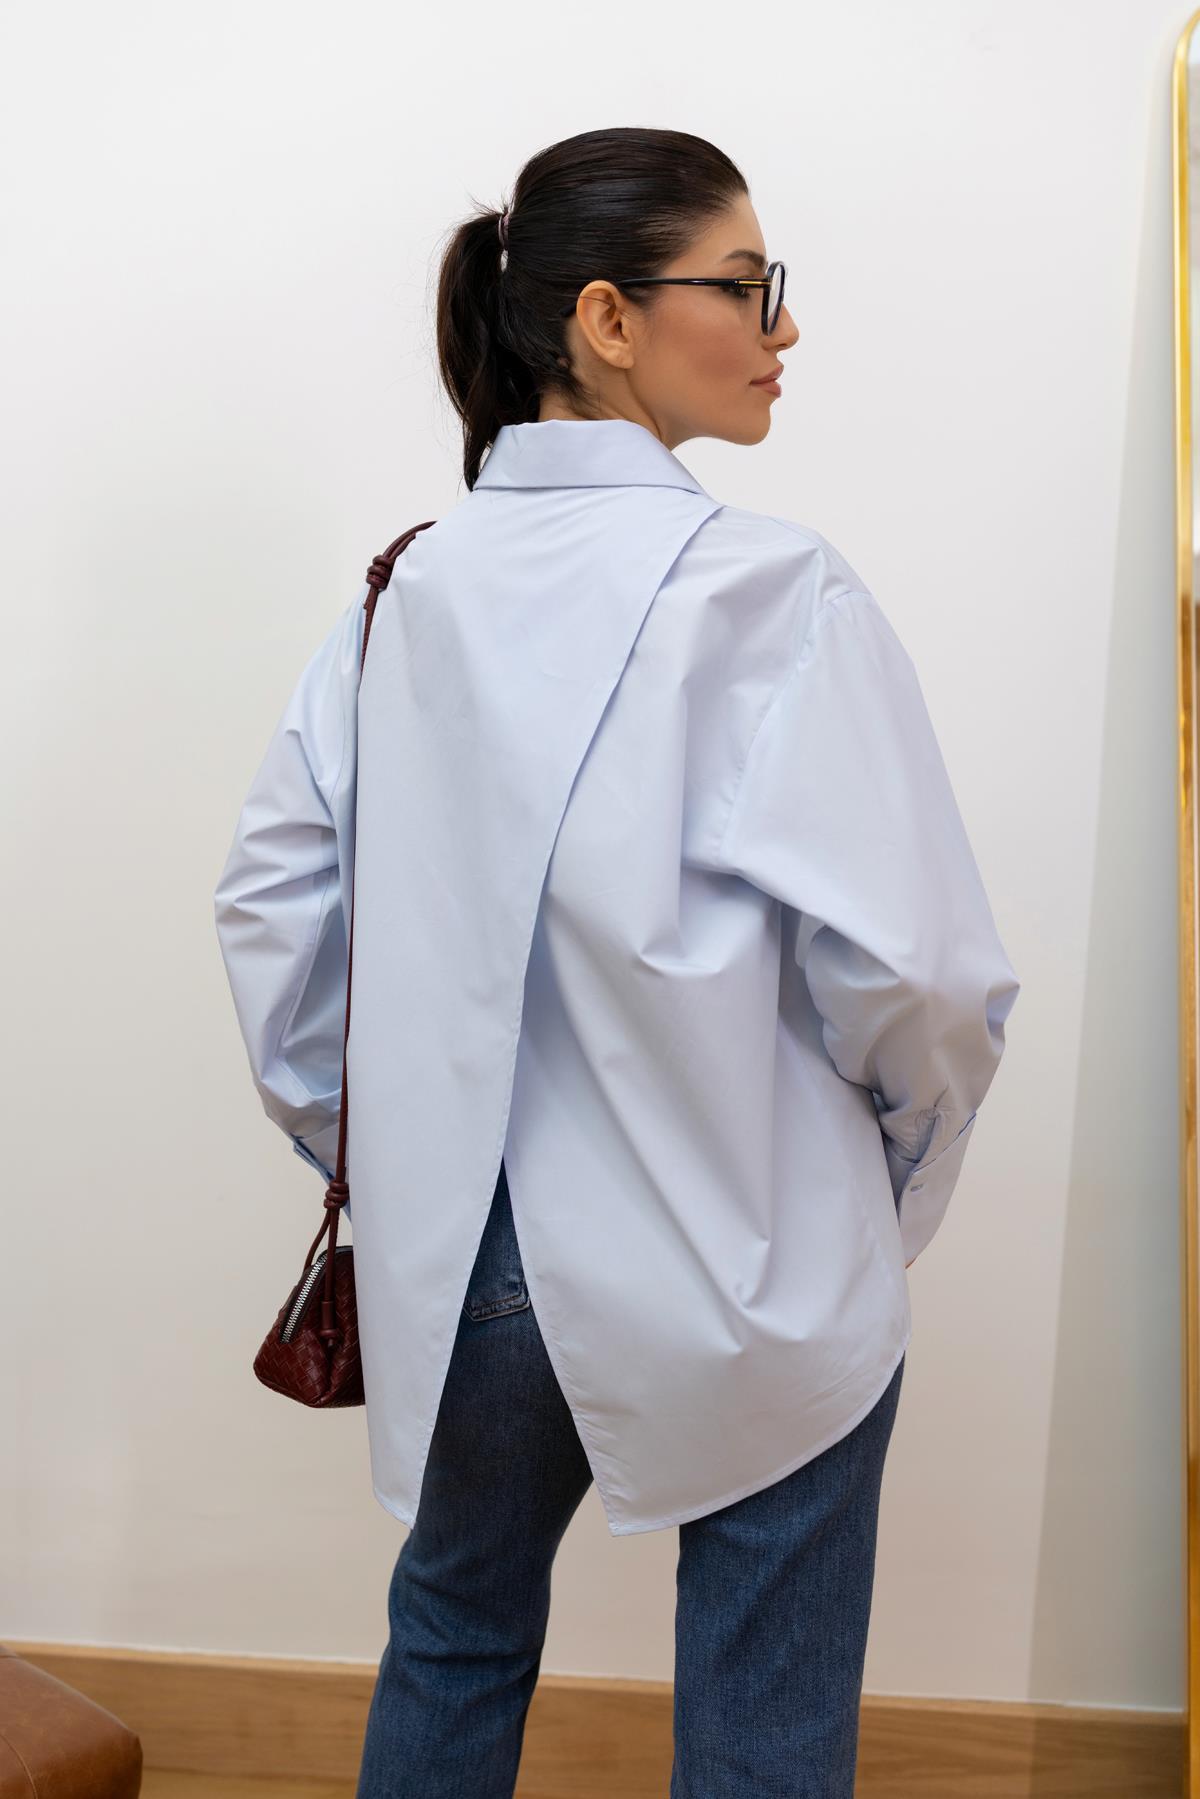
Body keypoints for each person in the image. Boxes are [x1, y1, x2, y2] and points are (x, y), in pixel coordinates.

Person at [213, 126, 1021, 1799]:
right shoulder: (772, 592)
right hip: (748, 1242)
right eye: (748, 285)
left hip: (472, 1260)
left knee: (454, 1639)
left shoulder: (404, 594)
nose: (782, 327)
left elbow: (275, 906)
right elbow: (925, 976)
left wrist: (378, 1149)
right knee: (761, 1716)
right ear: (606, 318)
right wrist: (891, 1183)